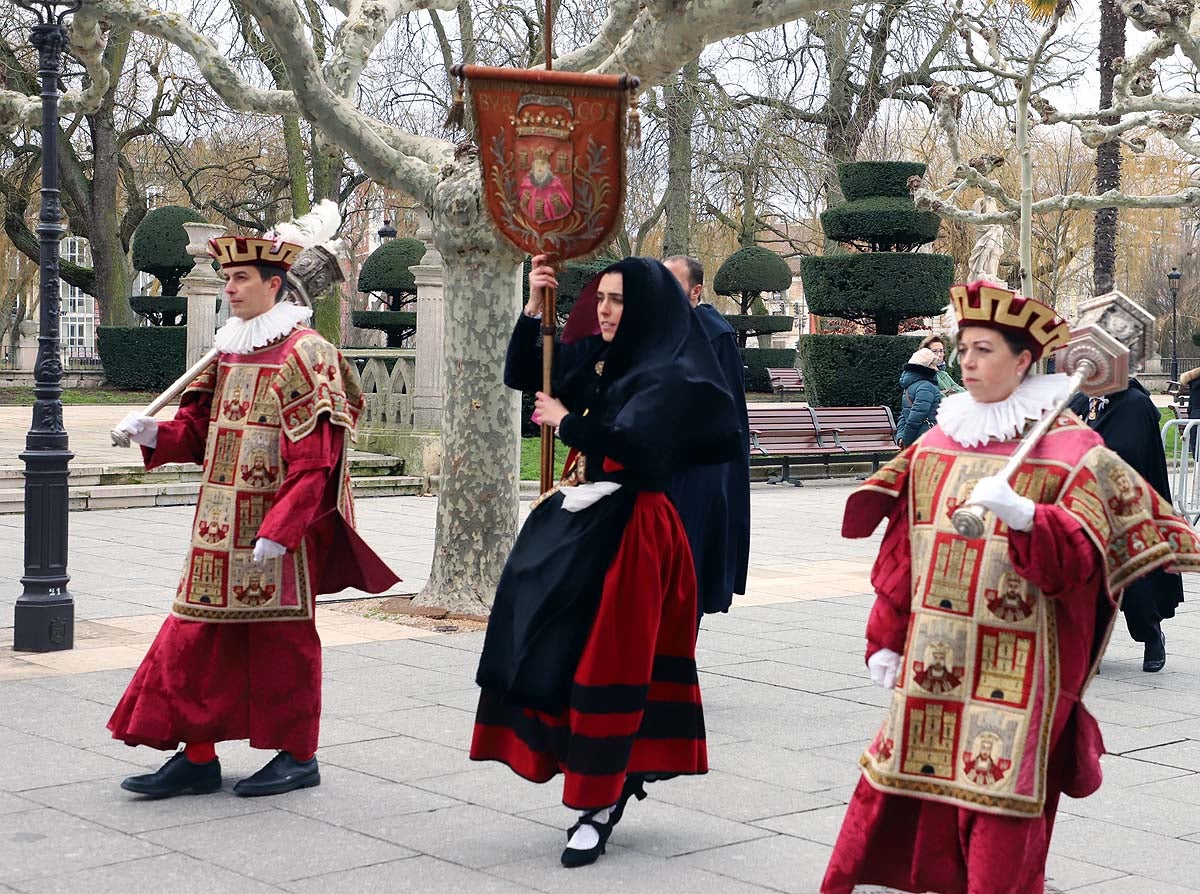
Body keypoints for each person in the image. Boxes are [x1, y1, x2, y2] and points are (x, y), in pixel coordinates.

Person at [822, 280, 1200, 894]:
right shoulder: (936, 443)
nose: (967, 362)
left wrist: (1028, 517)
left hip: (1020, 670)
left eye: (984, 350)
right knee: (908, 788)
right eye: (963, 350)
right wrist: (885, 637)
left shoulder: (1074, 450)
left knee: (1002, 807)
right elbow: (903, 553)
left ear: (1024, 362)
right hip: (935, 657)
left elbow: (1084, 562)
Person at [471, 255, 744, 868]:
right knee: (544, 637)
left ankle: (595, 804)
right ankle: (594, 775)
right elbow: (526, 376)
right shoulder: (599, 356)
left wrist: (568, 424)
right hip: (588, 521)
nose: (603, 309)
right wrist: (532, 305)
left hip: (637, 535)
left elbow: (643, 449)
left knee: (607, 663)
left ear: (645, 306)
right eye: (600, 298)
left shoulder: (673, 371)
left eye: (617, 300)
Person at [107, 227, 398, 799]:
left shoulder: (308, 354)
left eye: (241, 279)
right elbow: (197, 433)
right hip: (216, 527)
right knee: (195, 638)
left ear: (275, 284)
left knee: (280, 646)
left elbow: (316, 461)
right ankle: (197, 755)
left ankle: (299, 756)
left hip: (278, 535)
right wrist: (152, 433)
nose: (231, 289)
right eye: (227, 279)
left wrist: (280, 531)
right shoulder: (228, 349)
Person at [1068, 379, 1181, 671]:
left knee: (1136, 584)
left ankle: (1151, 636)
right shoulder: (1081, 402)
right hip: (1087, 510)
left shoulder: (1134, 404)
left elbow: (1134, 453)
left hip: (1127, 509)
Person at [662, 254, 751, 622]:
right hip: (656, 470)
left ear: (695, 291)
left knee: (687, 568)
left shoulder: (713, 334)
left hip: (697, 472)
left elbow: (727, 412)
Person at [895, 347, 942, 448]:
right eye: (933, 365)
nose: (936, 369)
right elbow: (915, 418)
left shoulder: (909, 387)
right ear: (924, 367)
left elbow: (904, 416)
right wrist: (906, 442)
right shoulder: (926, 387)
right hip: (927, 440)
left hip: (916, 440)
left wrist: (901, 437)